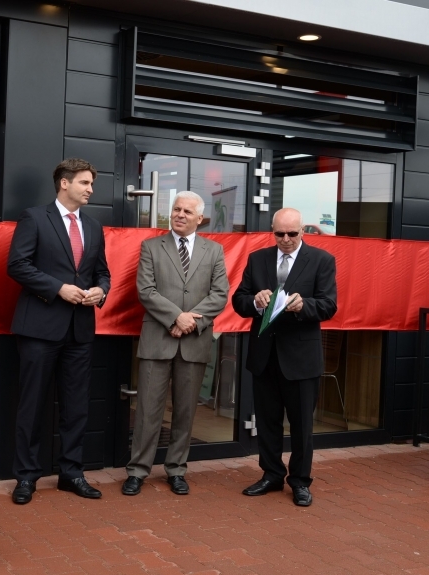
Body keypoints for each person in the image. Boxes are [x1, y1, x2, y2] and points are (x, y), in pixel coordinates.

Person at [7, 158, 110, 505]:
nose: (90, 189)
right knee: (32, 405)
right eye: (84, 183)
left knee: (76, 405)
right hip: (39, 327)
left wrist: (101, 291)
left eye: (91, 184)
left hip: (80, 330)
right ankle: (25, 478)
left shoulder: (94, 227)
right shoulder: (35, 218)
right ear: (64, 183)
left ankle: (72, 473)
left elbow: (103, 273)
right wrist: (58, 288)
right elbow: (17, 265)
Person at [122, 191, 228, 497]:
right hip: (158, 340)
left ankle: (177, 470)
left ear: (200, 218)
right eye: (176, 209)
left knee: (185, 411)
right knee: (147, 410)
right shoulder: (152, 247)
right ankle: (137, 471)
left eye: (186, 211)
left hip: (194, 341)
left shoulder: (214, 251)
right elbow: (146, 290)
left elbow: (220, 293)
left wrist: (191, 321)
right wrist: (176, 318)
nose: (179, 215)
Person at [231, 208, 337, 507]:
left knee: (302, 425)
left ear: (302, 230)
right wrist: (254, 300)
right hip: (264, 354)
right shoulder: (257, 258)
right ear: (272, 231)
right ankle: (271, 474)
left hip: (301, 357)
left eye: (293, 233)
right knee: (267, 421)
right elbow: (239, 300)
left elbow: (329, 305)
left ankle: (300, 481)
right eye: (280, 234)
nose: (287, 239)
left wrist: (304, 305)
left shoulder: (321, 260)